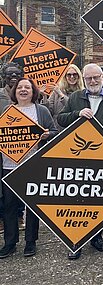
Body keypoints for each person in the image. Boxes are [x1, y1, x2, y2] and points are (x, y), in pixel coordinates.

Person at [58, 63, 103, 260]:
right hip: (78, 157)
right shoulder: (76, 97)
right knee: (77, 200)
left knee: (98, 200)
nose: (93, 81)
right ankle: (75, 241)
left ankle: (97, 237)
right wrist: (77, 114)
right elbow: (61, 119)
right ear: (84, 78)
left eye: (96, 77)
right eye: (89, 78)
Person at [0, 78, 57, 258]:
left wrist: (46, 135)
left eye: (27, 87)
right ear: (14, 91)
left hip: (32, 165)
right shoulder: (6, 111)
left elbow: (54, 131)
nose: (23, 90)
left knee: (31, 205)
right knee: (9, 205)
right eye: (20, 88)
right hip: (8, 165)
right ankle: (10, 243)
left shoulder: (41, 110)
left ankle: (31, 242)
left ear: (33, 92)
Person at [0, 63, 25, 233]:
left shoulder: (27, 93)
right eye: (10, 74)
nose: (13, 76)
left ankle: (20, 215)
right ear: (4, 77)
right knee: (3, 186)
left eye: (17, 73)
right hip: (2, 149)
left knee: (21, 183)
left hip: (23, 147)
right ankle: (3, 218)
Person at [42, 64, 84, 131]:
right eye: (69, 75)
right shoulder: (56, 92)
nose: (72, 77)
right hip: (58, 130)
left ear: (79, 76)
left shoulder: (82, 93)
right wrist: (44, 96)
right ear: (65, 77)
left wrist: (61, 95)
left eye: (75, 74)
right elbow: (48, 112)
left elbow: (74, 108)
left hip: (75, 129)